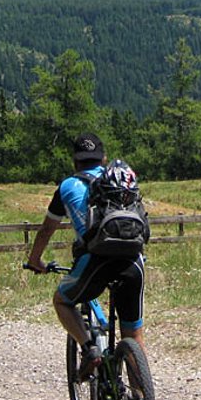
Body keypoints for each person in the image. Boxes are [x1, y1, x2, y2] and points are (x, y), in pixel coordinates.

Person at [25, 133, 146, 380]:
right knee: (133, 335)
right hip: (133, 260)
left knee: (62, 300)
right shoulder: (120, 182)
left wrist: (35, 261)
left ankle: (89, 348)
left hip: (95, 261)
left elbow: (47, 229)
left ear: (75, 162)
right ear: (103, 158)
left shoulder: (67, 186)